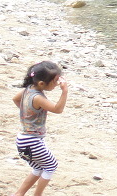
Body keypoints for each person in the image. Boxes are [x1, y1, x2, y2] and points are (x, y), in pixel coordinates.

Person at [12, 61, 68, 196]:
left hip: (23, 140)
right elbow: (57, 109)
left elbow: (15, 99)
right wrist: (64, 91)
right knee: (51, 166)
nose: (57, 84)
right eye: (55, 81)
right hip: (32, 141)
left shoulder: (28, 89)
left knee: (38, 168)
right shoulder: (37, 97)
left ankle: (19, 193)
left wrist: (27, 113)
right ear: (42, 83)